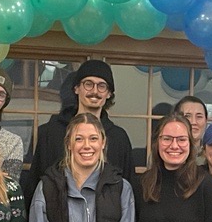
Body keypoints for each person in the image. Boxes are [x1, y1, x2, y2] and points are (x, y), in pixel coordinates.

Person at [26, 60, 135, 204]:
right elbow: (34, 185)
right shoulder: (50, 133)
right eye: (88, 84)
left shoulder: (118, 138)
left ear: (109, 94)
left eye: (102, 86)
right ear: (76, 88)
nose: (95, 91)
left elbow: (127, 194)